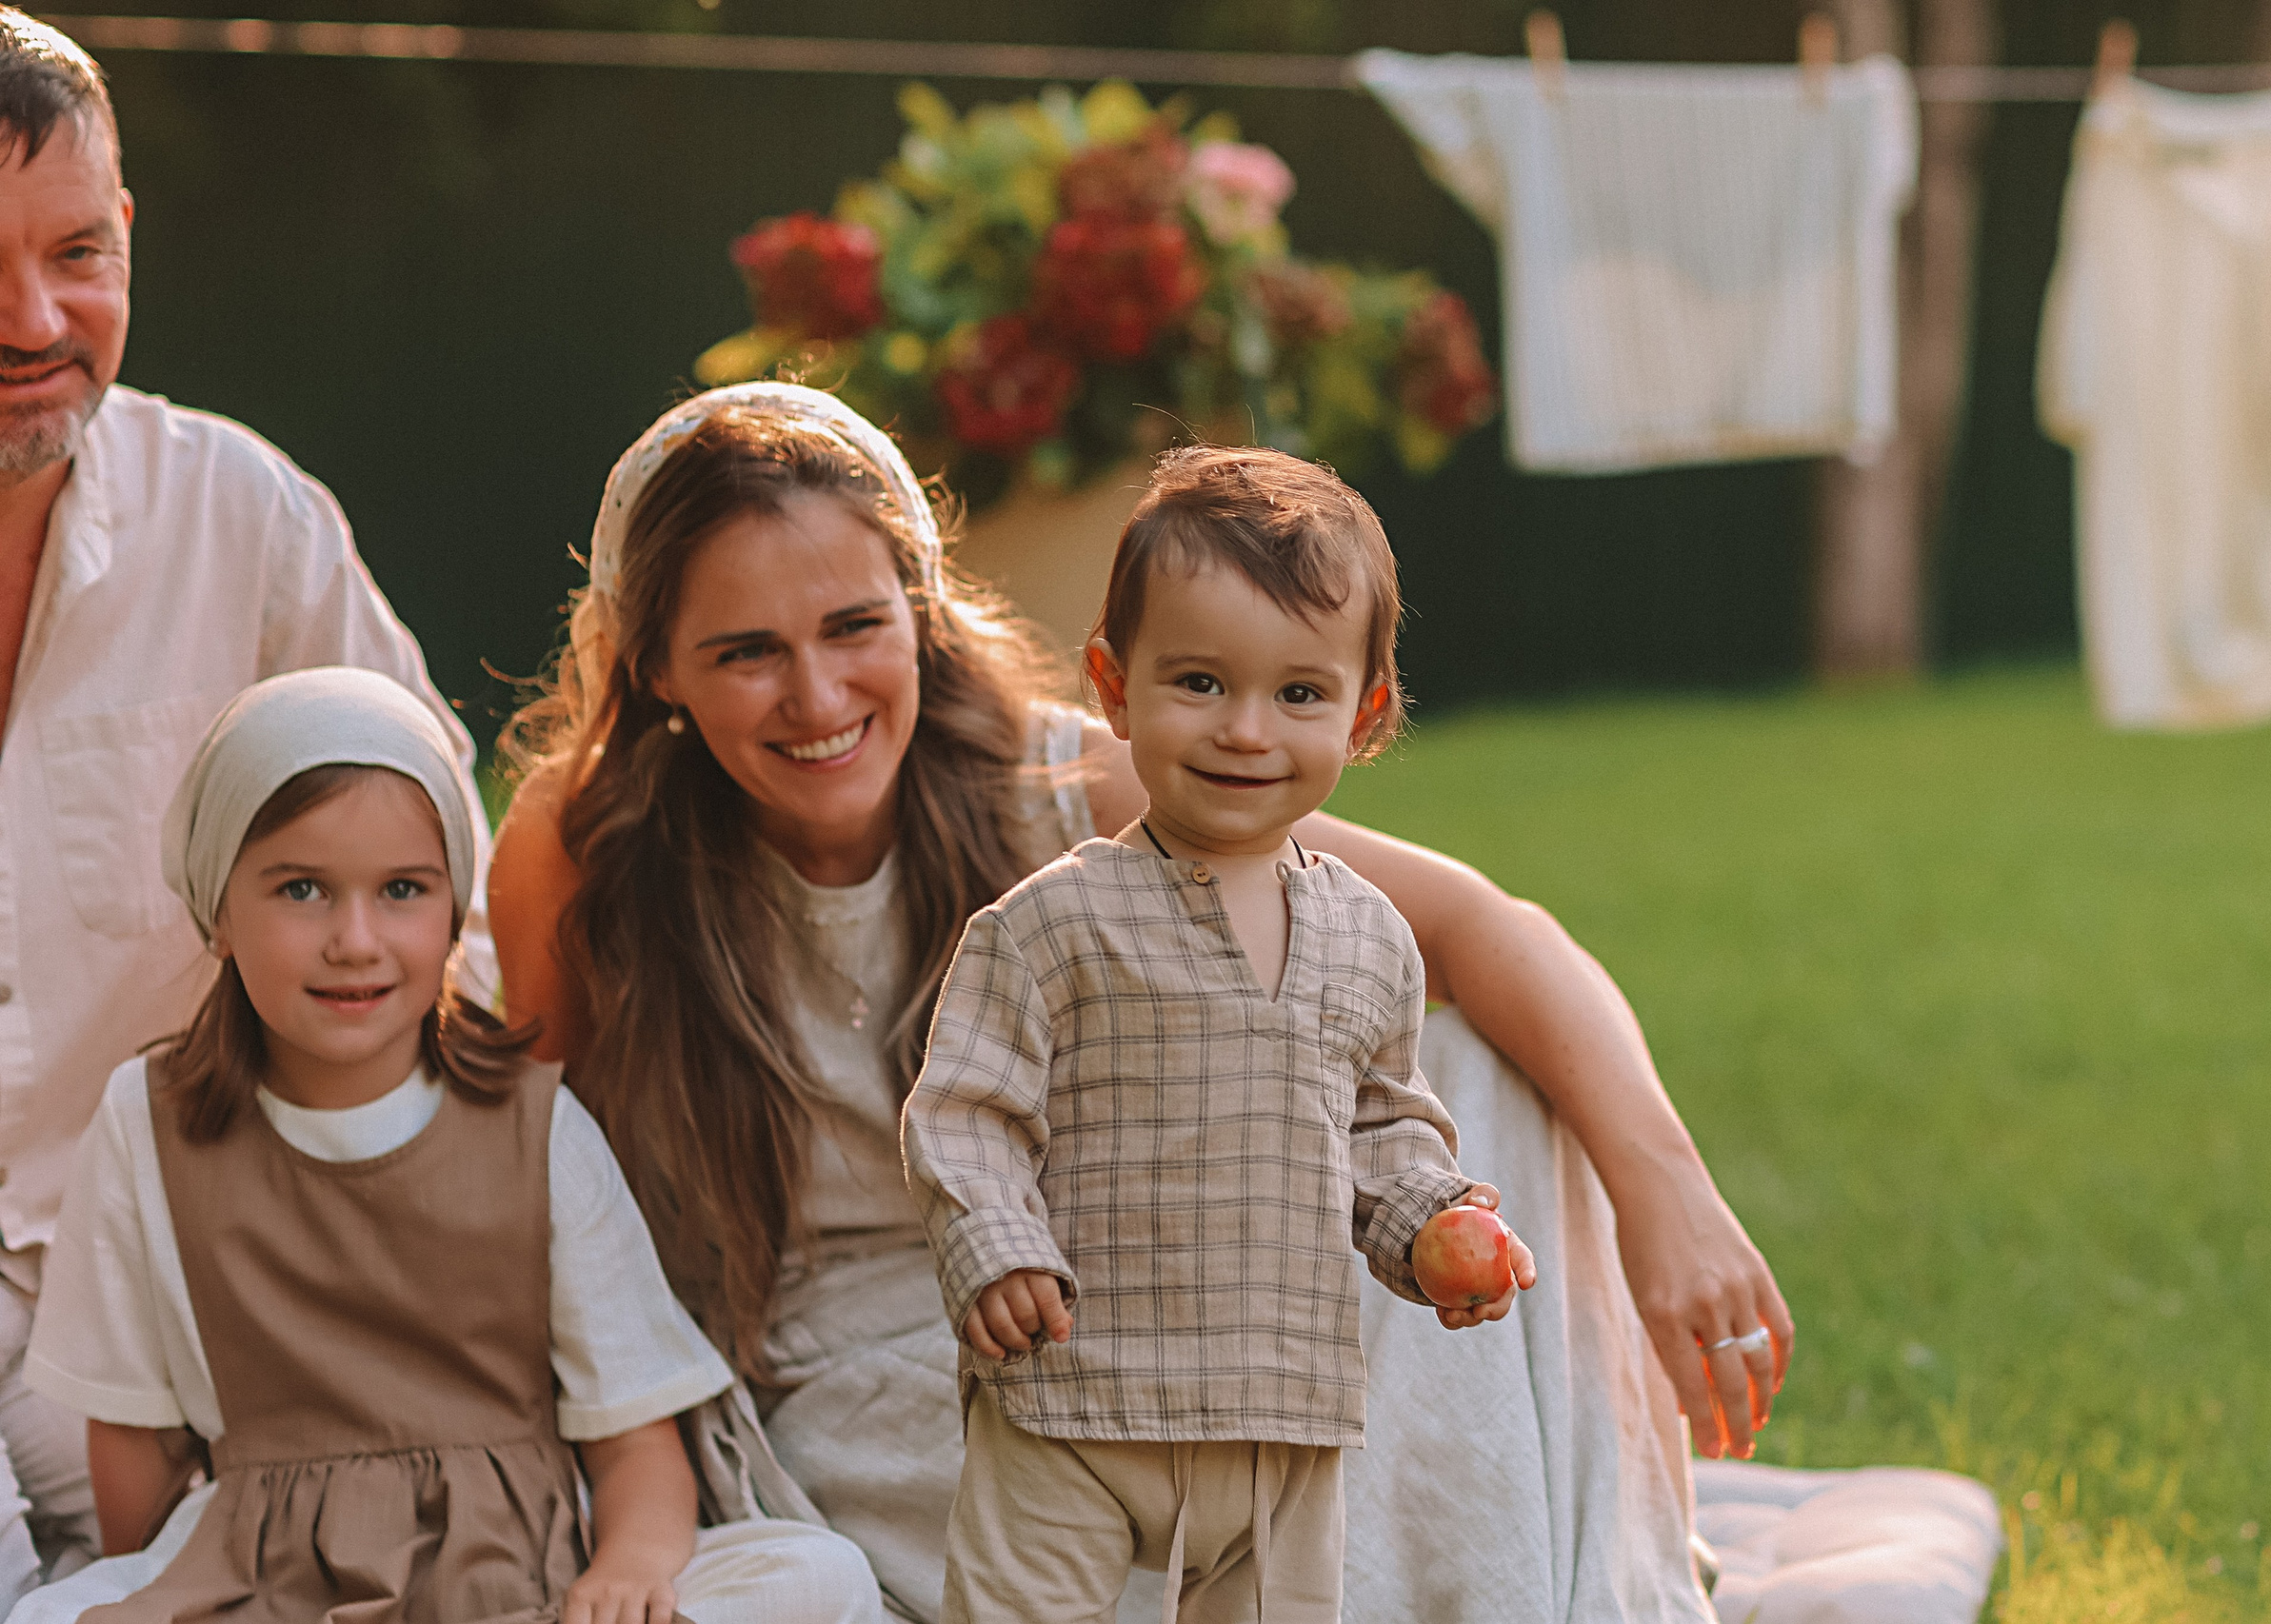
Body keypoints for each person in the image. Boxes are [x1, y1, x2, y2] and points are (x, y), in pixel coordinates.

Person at [489, 383, 1788, 1624]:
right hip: (864, 1385)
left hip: (1148, 1282)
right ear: (656, 663)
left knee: (1473, 1073)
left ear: (919, 606)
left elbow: (1482, 925)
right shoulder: (588, 846)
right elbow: (545, 1189)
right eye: (744, 652)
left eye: (852, 627)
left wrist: (1667, 1196)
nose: (818, 698)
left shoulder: (1050, 789)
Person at [9, 667, 879, 1624]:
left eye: (402, 890)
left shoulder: (531, 1122)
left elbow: (636, 1441)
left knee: (815, 1574)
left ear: (451, 910)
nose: (355, 937)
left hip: (520, 1572)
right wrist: (156, 1589)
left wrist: (624, 1571)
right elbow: (133, 1441)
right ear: (218, 908)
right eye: (301, 888)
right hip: (264, 1577)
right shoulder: (150, 1118)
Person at [0, 13, 488, 1604]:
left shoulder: (246, 521)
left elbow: (442, 903)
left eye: (77, 251)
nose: (34, 319)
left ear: (127, 231)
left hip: (173, 1256)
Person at [904, 446, 1534, 1623]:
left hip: (1278, 1405)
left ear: (1365, 716)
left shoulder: (1371, 940)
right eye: (1197, 681)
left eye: (1298, 694)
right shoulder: (1047, 923)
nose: (1246, 729)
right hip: (1074, 1392)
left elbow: (1381, 1124)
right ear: (1111, 684)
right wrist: (994, 1241)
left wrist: (1434, 1221)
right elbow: (965, 1108)